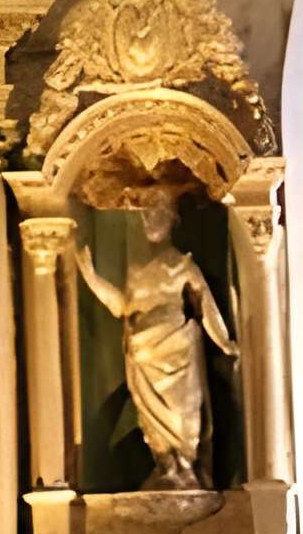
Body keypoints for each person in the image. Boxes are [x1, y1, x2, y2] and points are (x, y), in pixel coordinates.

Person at [76, 188, 237, 489]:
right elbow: (121, 307)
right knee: (151, 424)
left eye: (157, 214)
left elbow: (208, 309)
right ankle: (168, 467)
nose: (150, 220)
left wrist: (225, 343)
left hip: (177, 352)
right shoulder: (137, 271)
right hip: (142, 356)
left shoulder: (183, 266)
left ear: (171, 220)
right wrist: (91, 277)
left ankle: (188, 469)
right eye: (146, 214)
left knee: (184, 416)